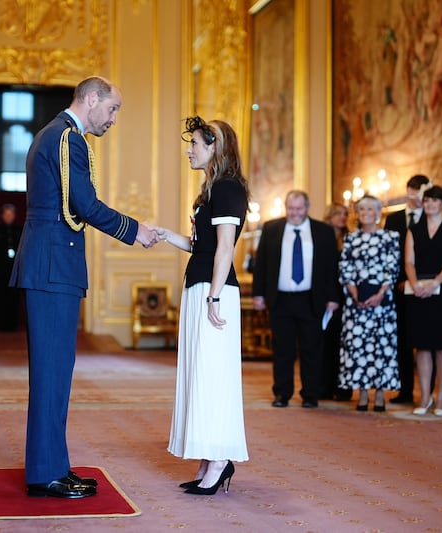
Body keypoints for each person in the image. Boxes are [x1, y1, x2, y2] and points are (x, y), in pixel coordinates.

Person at [9, 76, 158, 498]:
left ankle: (53, 466)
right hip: (53, 266)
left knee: (56, 374)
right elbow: (85, 205)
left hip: (53, 264)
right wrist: (136, 230)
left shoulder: (57, 134)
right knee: (52, 374)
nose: (114, 119)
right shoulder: (66, 138)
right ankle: (45, 473)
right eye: (112, 109)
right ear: (91, 99)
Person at [154, 116, 249, 495]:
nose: (189, 149)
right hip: (201, 287)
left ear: (215, 148)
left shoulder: (227, 188)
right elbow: (203, 246)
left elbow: (225, 247)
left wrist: (213, 295)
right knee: (200, 374)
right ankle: (210, 458)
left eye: (195, 143)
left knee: (214, 376)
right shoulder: (212, 190)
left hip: (216, 292)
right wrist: (166, 235)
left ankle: (220, 460)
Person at [252, 190, 341, 409]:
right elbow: (261, 264)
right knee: (283, 350)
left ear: (307, 208)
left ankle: (311, 394)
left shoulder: (323, 231)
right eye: (291, 208)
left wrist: (332, 297)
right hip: (280, 299)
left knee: (312, 349)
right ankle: (282, 394)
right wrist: (258, 294)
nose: (295, 213)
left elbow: (332, 267)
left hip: (311, 299)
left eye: (299, 209)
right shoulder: (271, 229)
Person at [337, 195, 401, 411]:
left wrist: (380, 294)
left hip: (382, 302)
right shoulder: (351, 238)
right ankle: (362, 393)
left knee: (381, 346)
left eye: (369, 209)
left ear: (378, 212)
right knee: (358, 347)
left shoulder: (390, 237)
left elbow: (392, 268)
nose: (365, 212)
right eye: (361, 209)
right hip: (356, 303)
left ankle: (380, 393)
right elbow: (345, 267)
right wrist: (354, 293)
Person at [405, 185, 442, 416]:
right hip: (419, 293)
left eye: (434, 201)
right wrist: (416, 284)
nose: (430, 204)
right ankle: (425, 397)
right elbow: (409, 261)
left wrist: (434, 283)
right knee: (422, 347)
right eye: (427, 200)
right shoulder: (414, 230)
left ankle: (441, 398)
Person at [385, 174, 431, 404]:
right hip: (398, 290)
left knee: (425, 341)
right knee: (401, 342)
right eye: (414, 190)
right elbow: (390, 255)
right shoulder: (393, 220)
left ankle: (427, 392)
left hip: (424, 288)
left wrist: (418, 282)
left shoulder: (432, 219)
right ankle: (404, 390)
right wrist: (398, 282)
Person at [322, 202, 350, 401]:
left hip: (346, 296)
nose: (342, 217)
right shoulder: (321, 236)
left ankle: (342, 387)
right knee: (324, 343)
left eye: (345, 214)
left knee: (343, 343)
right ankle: (324, 386)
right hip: (325, 295)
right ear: (330, 216)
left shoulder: (350, 238)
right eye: (338, 214)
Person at [0, 204, 23, 331]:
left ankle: (12, 325)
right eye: (6, 214)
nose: (8, 217)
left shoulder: (19, 230)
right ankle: (1, 325)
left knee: (13, 298)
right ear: (2, 216)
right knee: (1, 298)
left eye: (11, 214)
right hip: (0, 270)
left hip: (14, 270)